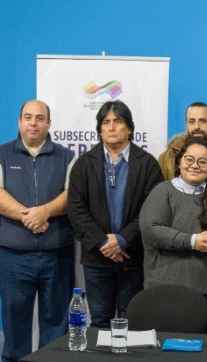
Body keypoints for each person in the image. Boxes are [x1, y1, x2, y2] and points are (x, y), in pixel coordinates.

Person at [0, 99, 75, 362]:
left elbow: (72, 195)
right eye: (27, 117)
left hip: (56, 253)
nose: (33, 123)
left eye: (40, 118)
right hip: (14, 256)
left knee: (55, 317)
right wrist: (30, 215)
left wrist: (44, 211)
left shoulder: (66, 156)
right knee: (14, 315)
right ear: (19, 122)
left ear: (49, 124)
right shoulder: (0, 154)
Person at [67, 100, 164, 327]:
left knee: (134, 320)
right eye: (106, 122)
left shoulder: (148, 164)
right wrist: (103, 242)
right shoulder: (83, 164)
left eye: (118, 121)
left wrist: (122, 240)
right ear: (99, 129)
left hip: (134, 256)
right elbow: (76, 208)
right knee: (99, 320)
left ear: (129, 128)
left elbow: (153, 211)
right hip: (96, 258)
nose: (111, 127)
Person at [139, 138, 207, 303]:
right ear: (179, 163)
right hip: (169, 288)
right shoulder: (162, 192)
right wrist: (192, 241)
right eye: (189, 159)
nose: (195, 165)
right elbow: (152, 230)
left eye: (203, 161)